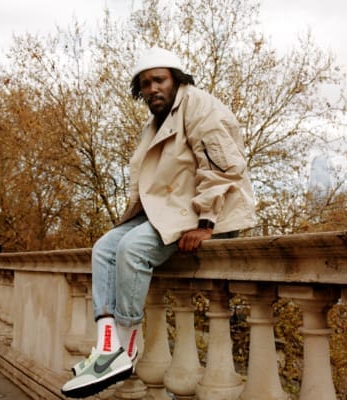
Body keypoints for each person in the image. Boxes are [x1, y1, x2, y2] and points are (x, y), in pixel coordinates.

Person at [61, 47, 256, 398]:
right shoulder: (156, 122)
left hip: (206, 212)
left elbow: (223, 168)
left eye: (159, 79)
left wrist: (206, 223)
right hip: (172, 211)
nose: (152, 88)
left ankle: (126, 350)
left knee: (132, 250)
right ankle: (107, 347)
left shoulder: (199, 106)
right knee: (105, 247)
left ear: (177, 79)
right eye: (145, 83)